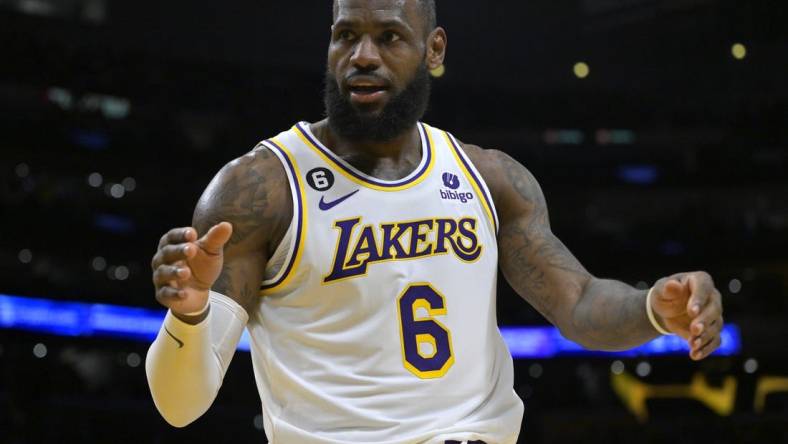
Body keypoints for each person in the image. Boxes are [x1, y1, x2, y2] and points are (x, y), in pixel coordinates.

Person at [146, 1, 724, 443]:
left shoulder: (492, 178)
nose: (362, 55)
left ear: (435, 49)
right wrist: (191, 316)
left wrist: (654, 309)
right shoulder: (259, 188)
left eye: (389, 36)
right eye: (346, 35)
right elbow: (180, 405)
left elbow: (579, 303)